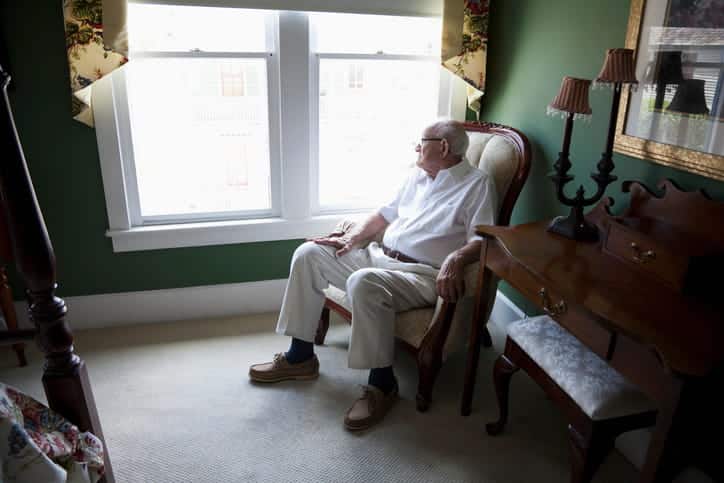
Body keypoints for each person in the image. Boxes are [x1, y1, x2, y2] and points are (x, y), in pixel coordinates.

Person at [249, 120, 497, 431]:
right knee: (309, 253)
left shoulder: (478, 184)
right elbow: (383, 215)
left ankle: (382, 384)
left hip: (419, 275)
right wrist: (350, 241)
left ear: (444, 147)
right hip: (379, 257)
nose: (417, 147)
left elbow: (482, 238)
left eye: (422, 141)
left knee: (363, 282)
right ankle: (300, 356)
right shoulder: (416, 176)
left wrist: (457, 259)